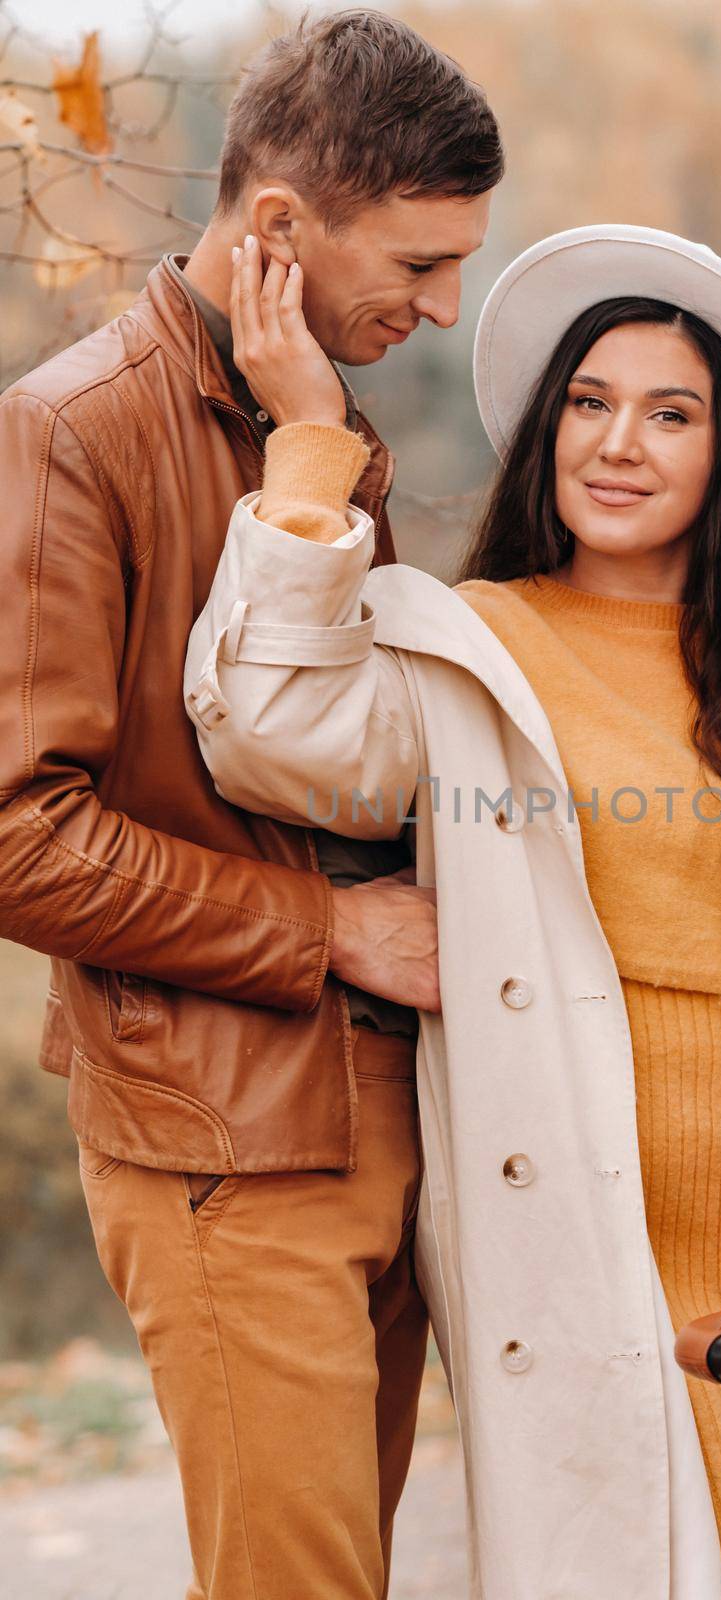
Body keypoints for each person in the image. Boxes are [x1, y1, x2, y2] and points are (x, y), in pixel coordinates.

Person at [184, 223, 721, 1600]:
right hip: (575, 1259)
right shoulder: (462, 650)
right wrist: (309, 446)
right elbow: (268, 729)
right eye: (589, 402)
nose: (617, 442)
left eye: (669, 413)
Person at [0, 12, 502, 1599]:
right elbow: (18, 835)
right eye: (418, 266)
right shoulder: (69, 431)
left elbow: (339, 752)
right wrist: (330, 928)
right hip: (222, 1141)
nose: (438, 309)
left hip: (381, 1123)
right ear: (279, 228)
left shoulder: (310, 418)